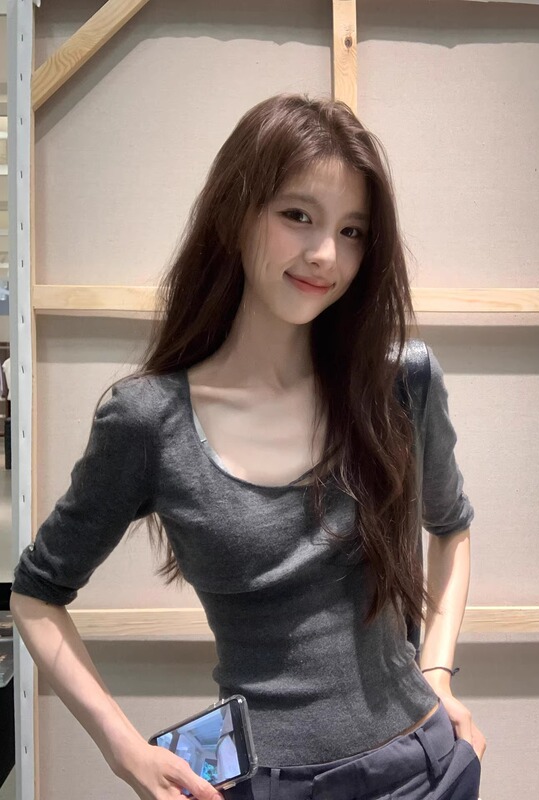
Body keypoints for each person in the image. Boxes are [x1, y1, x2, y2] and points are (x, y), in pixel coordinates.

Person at [10, 93, 486, 800]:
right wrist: (124, 751)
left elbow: (451, 528)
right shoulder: (149, 421)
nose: (325, 254)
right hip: (264, 782)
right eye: (298, 215)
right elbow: (35, 594)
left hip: (419, 770)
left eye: (352, 231)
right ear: (236, 213)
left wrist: (438, 674)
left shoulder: (400, 383)